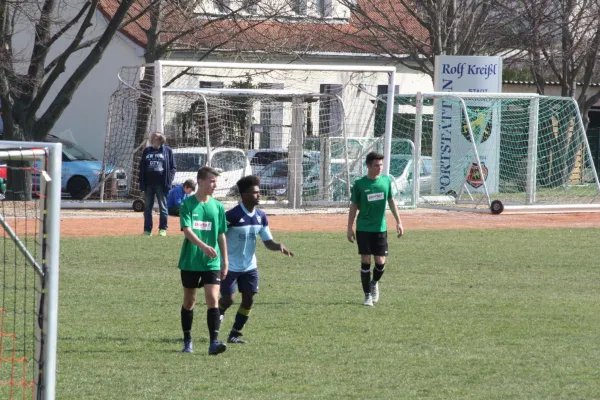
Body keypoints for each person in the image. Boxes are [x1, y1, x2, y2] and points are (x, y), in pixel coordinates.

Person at [218, 175, 293, 344]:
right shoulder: (231, 216)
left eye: (259, 192)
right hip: (229, 265)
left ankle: (234, 334)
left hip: (249, 266)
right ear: (244, 194)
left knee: (249, 299)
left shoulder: (261, 216)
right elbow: (218, 235)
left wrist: (278, 246)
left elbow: (267, 241)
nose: (259, 195)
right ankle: (218, 314)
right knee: (228, 299)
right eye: (255, 193)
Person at [178, 166, 229, 355]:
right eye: (212, 181)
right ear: (200, 181)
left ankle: (213, 343)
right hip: (191, 261)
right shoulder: (188, 204)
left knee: (213, 298)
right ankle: (187, 340)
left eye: (215, 181)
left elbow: (221, 234)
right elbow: (187, 230)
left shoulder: (218, 206)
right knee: (189, 301)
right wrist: (202, 246)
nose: (215, 185)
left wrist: (225, 260)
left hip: (212, 262)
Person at [347, 151, 404, 307]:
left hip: (380, 229)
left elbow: (391, 201)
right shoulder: (359, 184)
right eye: (376, 165)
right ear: (368, 166)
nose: (380, 168)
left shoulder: (386, 181)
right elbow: (353, 206)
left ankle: (373, 282)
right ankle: (367, 296)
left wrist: (399, 222)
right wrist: (349, 228)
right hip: (364, 228)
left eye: (381, 165)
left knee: (380, 262)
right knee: (365, 260)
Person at [138, 132, 176, 236]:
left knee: (163, 207)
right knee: (147, 208)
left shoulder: (167, 151)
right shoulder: (147, 150)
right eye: (152, 136)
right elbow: (142, 167)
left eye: (156, 136)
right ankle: (147, 230)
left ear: (161, 139)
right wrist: (141, 181)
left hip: (161, 185)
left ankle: (163, 229)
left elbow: (173, 167)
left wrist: (169, 180)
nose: (153, 137)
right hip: (148, 184)